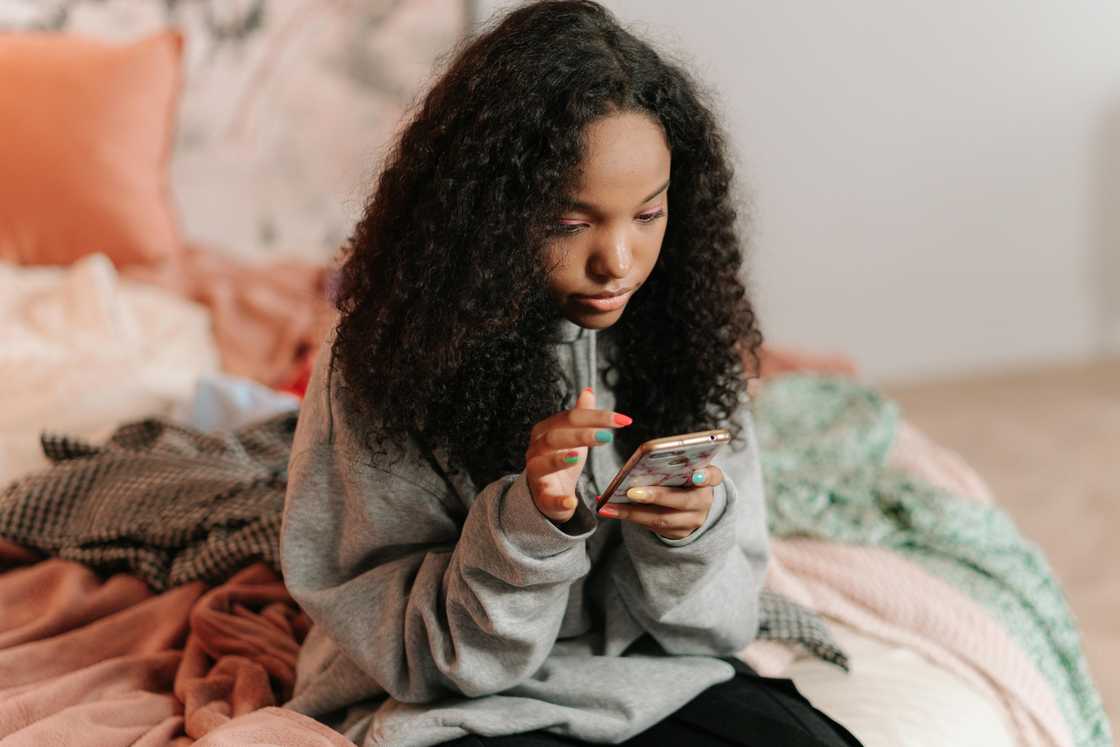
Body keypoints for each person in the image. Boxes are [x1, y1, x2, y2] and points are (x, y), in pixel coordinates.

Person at [279, 2, 863, 745]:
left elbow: (719, 625)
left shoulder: (688, 326)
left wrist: (688, 538)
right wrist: (528, 527)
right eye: (568, 223)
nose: (617, 261)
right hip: (455, 702)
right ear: (483, 212)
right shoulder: (380, 359)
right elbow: (425, 659)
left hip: (655, 677)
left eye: (647, 214)